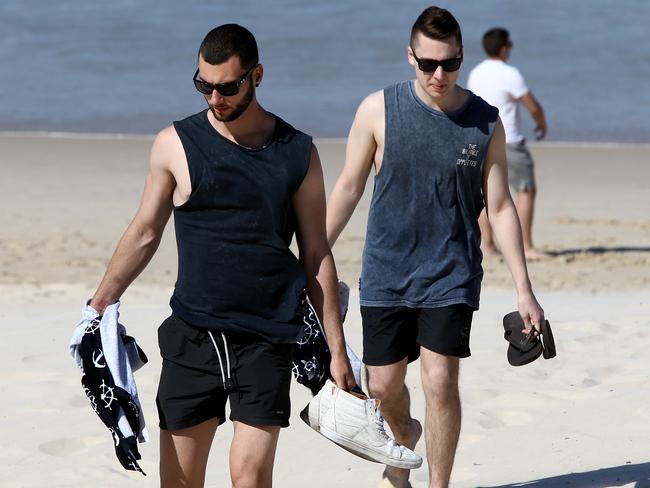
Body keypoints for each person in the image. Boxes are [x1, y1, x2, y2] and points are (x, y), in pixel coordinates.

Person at [86, 24, 355, 488]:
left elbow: (315, 253)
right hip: (193, 334)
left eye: (228, 87)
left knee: (248, 477)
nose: (215, 98)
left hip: (267, 336)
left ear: (257, 76)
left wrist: (336, 348)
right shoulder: (174, 143)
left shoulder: (298, 153)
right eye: (204, 85)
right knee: (181, 481)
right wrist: (100, 302)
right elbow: (146, 231)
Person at [326, 7, 545, 488]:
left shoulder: (484, 122)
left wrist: (524, 290)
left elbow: (502, 206)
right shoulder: (377, 110)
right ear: (410, 57)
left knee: (440, 382)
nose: (438, 74)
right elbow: (347, 187)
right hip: (385, 271)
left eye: (448, 64)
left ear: (461, 57)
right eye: (428, 64)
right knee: (382, 387)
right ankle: (405, 443)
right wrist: (313, 253)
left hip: (452, 272)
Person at [467, 27, 548, 260]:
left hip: (480, 138)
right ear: (504, 48)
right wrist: (541, 124)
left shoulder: (475, 73)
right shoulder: (510, 73)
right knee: (526, 190)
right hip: (509, 139)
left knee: (483, 193)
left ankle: (488, 245)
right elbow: (533, 106)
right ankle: (526, 245)